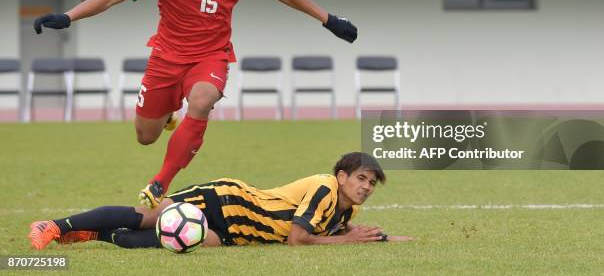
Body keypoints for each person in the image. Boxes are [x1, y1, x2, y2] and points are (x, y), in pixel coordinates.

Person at [33, 0, 358, 209]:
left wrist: (328, 19)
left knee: (201, 101)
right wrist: (68, 16)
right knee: (146, 136)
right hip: (165, 59)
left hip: (211, 58)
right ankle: (170, 115)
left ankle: (161, 182)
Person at [29, 152, 412, 249]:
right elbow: (298, 239)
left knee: (166, 242)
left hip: (238, 233)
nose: (366, 187)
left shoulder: (349, 207)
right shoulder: (326, 186)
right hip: (226, 202)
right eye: (361, 178)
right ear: (342, 175)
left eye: (372, 182)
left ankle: (92, 236)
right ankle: (54, 226)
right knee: (149, 217)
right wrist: (346, 240)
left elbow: (333, 229)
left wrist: (383, 238)